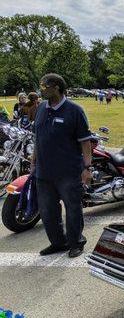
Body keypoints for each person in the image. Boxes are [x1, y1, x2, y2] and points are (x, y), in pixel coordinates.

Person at [32, 73, 92, 258]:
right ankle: (58, 242)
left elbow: (85, 142)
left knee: (73, 209)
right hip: (44, 172)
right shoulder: (41, 108)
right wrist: (33, 162)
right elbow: (37, 138)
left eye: (44, 87)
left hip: (68, 171)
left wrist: (87, 168)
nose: (41, 91)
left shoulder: (74, 110)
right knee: (47, 210)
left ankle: (76, 242)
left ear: (56, 88)